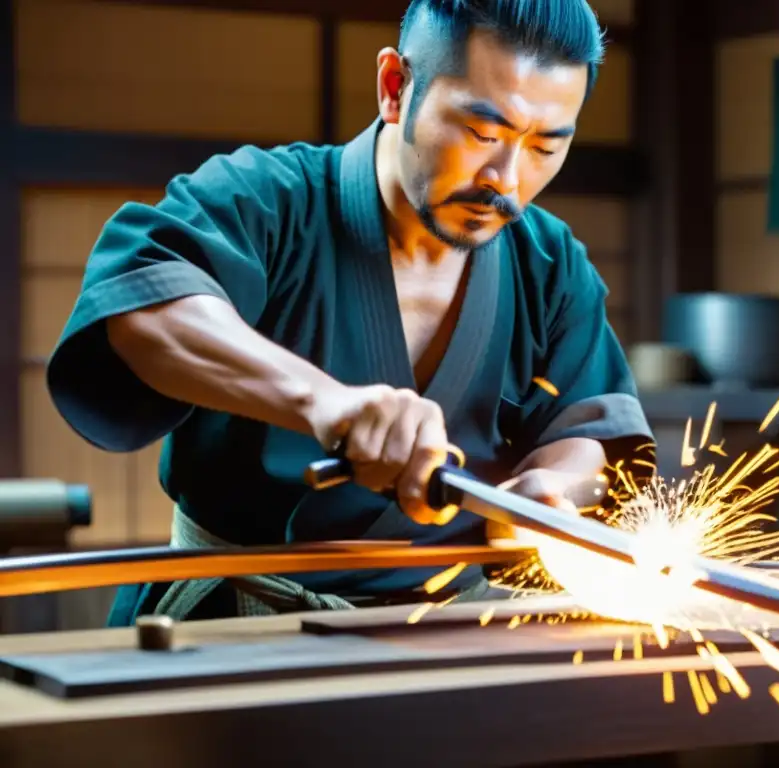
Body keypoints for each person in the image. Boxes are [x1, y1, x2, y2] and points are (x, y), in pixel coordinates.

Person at [46, 0, 654, 625]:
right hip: (231, 626)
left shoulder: (549, 262)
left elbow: (587, 431)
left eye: (544, 148)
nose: (506, 179)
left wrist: (553, 488)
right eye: (482, 134)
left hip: (449, 633)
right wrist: (324, 402)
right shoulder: (268, 199)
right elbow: (143, 309)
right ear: (396, 88)